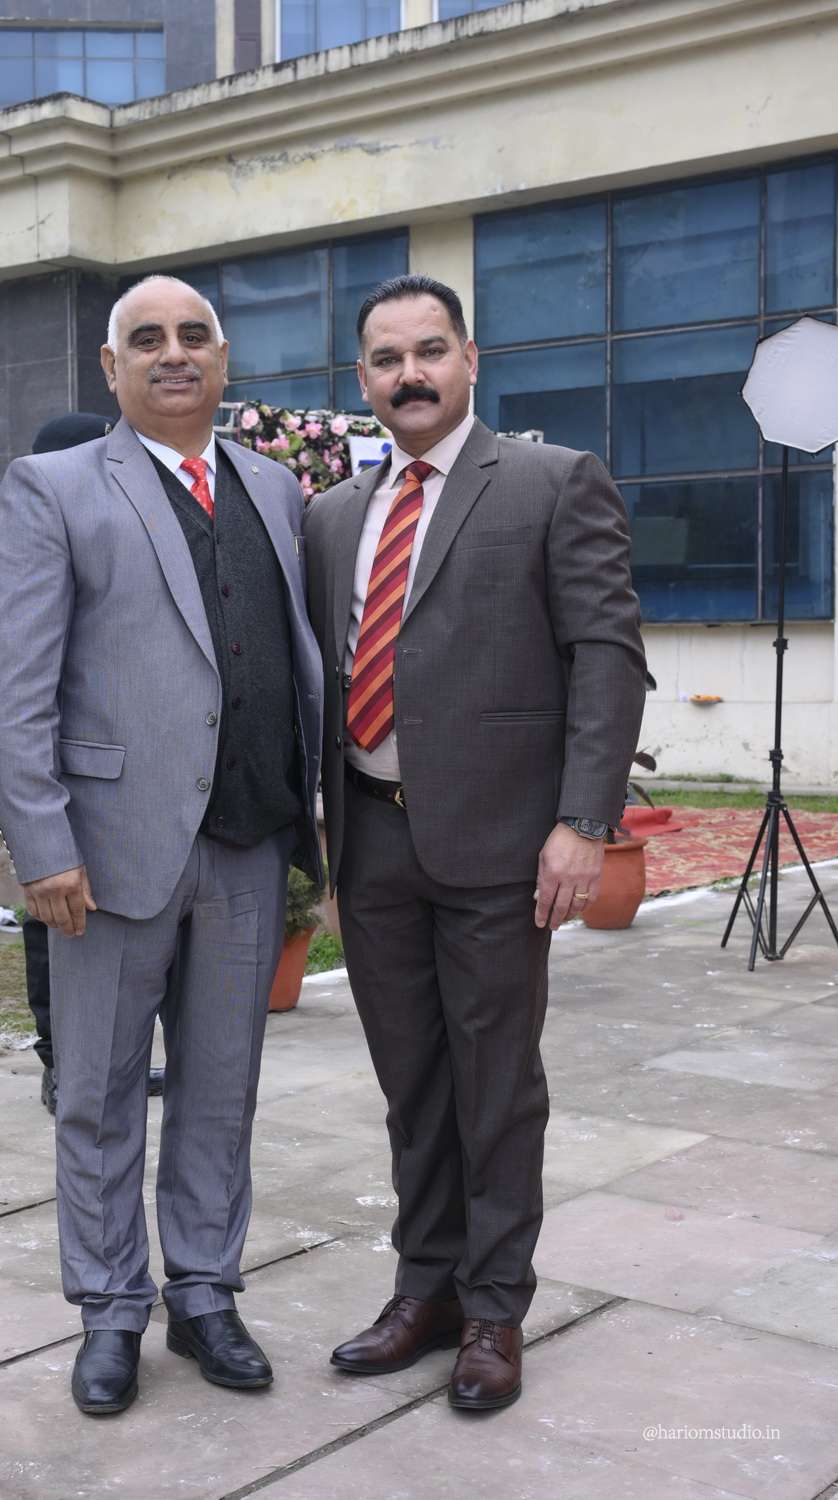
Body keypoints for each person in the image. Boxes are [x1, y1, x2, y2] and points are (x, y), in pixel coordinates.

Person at [0, 276, 323, 1415]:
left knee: (223, 1091)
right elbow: (14, 687)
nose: (172, 354)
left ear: (222, 360)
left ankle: (207, 1294)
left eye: (192, 336)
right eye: (147, 339)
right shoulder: (55, 486)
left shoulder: (274, 488)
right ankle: (110, 1310)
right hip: (107, 853)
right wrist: (42, 845)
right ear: (110, 365)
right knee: (98, 1093)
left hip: (246, 843)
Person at [304, 274, 646, 1413]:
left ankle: (494, 1309)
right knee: (412, 1086)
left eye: (429, 351)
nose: (409, 374)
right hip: (371, 841)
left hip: (502, 846)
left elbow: (606, 658)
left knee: (495, 1086)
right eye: (386, 358)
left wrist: (582, 822)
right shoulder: (332, 517)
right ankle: (426, 1290)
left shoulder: (552, 482)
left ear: (469, 359)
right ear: (363, 378)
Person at [0, 412, 166, 1114]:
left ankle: (99, 1059)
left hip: (94, 757)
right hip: (45, 754)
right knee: (52, 913)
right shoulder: (26, 537)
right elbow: (20, 670)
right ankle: (59, 1059)